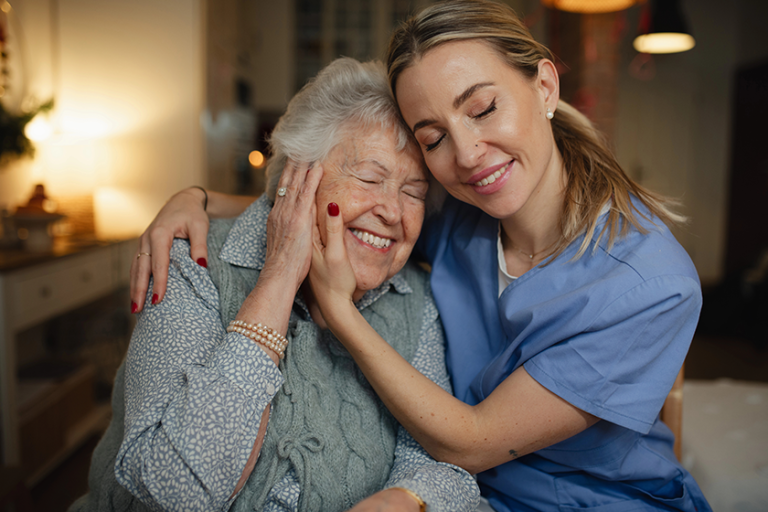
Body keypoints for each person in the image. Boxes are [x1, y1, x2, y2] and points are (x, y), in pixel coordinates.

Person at [130, 2, 712, 511]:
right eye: (432, 137)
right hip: (470, 493)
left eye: (483, 109)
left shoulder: (653, 284)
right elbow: (347, 208)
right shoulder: (464, 212)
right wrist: (198, 199)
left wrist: (340, 310)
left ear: (545, 88)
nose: (466, 153)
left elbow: (472, 441)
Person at [70, 57, 479, 512]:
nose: (392, 211)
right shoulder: (194, 264)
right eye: (369, 177)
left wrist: (402, 500)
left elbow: (444, 463)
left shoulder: (412, 299)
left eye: (414, 193)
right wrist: (281, 277)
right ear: (296, 178)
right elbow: (175, 489)